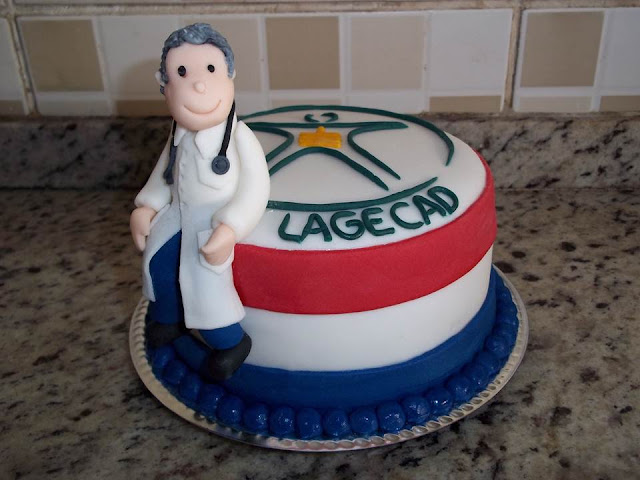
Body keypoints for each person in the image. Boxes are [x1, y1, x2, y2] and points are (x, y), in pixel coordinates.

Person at [130, 24, 270, 381]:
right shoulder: (176, 136)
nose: (199, 85)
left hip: (211, 225)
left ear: (230, 76)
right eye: (182, 73)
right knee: (159, 266)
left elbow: (256, 188)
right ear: (165, 88)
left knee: (208, 294)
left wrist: (231, 227)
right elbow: (164, 175)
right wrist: (146, 207)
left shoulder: (239, 138)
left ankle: (231, 343)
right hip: (177, 217)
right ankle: (170, 319)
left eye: (210, 70)